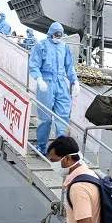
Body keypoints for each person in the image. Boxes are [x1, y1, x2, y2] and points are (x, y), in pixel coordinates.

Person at [29, 22, 78, 155]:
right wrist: (39, 79)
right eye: (56, 35)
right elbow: (34, 64)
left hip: (61, 83)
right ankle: (42, 145)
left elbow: (69, 67)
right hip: (46, 83)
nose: (58, 37)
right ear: (51, 34)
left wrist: (75, 81)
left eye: (60, 35)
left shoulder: (65, 47)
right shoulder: (41, 45)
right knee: (46, 117)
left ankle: (61, 149)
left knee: (63, 117)